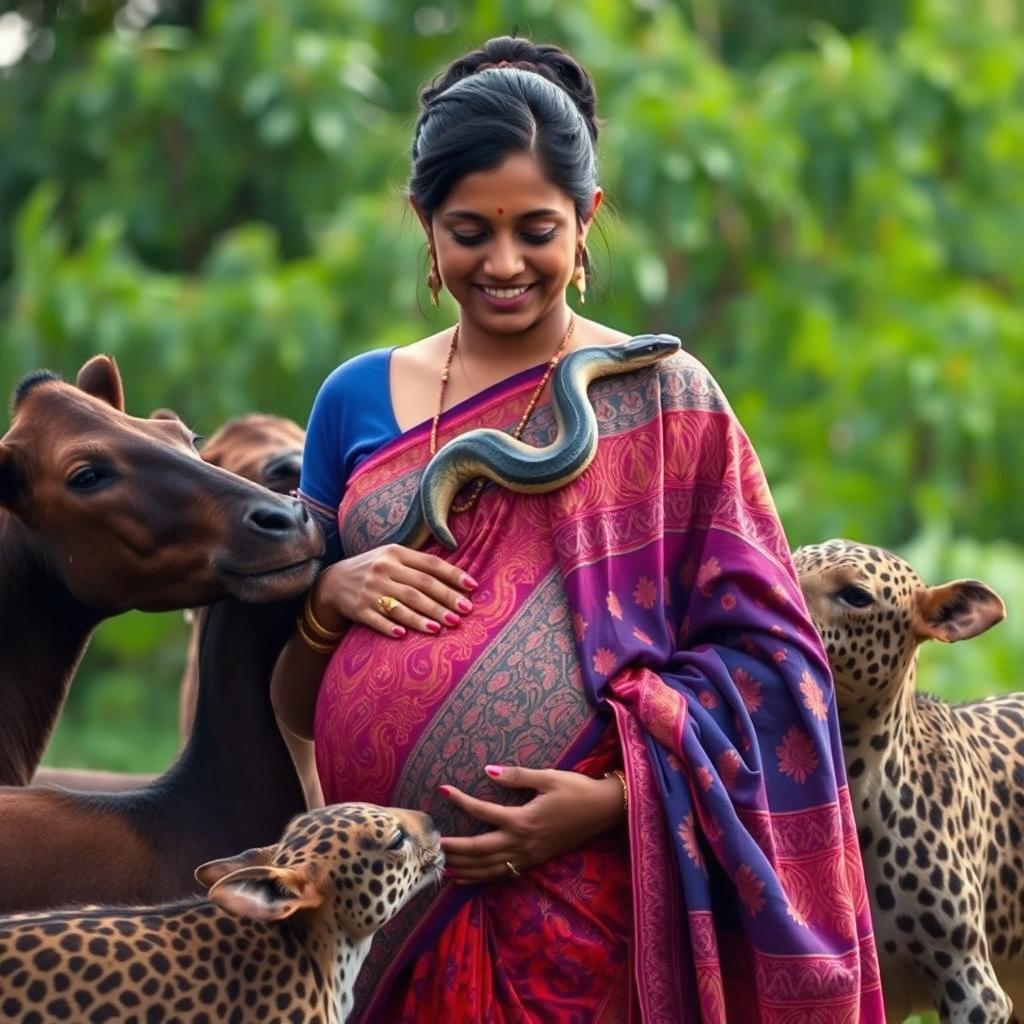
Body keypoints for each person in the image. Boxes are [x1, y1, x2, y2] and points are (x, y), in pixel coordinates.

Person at [271, 35, 886, 1023]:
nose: (503, 263)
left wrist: (612, 805)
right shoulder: (354, 402)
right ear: (423, 225)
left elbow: (779, 678)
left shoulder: (666, 399)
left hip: (595, 926)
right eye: (469, 229)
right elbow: (292, 707)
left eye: (536, 230)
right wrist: (325, 601)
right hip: (382, 922)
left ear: (587, 220)